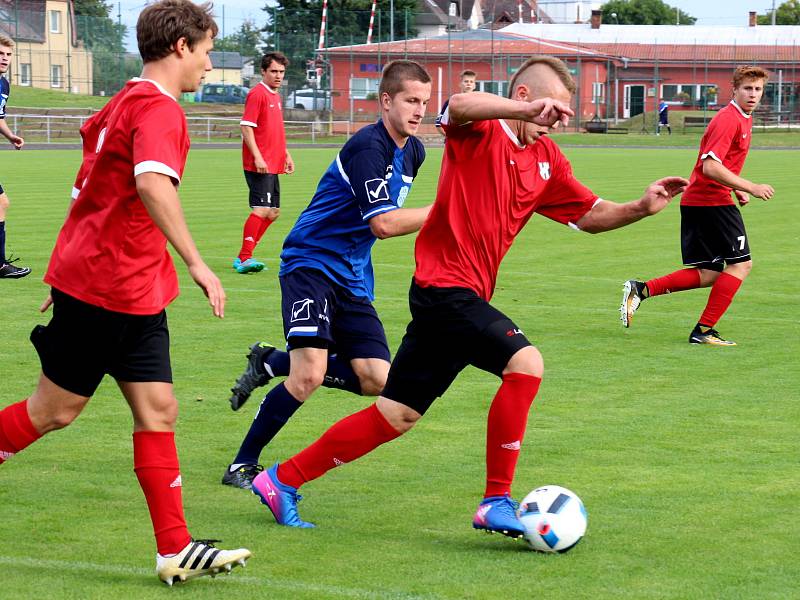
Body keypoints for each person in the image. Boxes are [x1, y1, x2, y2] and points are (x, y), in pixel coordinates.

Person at [248, 55, 688, 534]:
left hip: (460, 297)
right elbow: (458, 104)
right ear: (525, 99)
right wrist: (520, 113)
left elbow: (589, 214)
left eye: (564, 113)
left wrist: (641, 207)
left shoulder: (547, 160)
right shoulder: (482, 130)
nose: (558, 121)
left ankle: (281, 479)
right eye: (553, 110)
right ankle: (495, 499)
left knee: (395, 414)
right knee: (526, 364)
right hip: (444, 289)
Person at [0, 0, 251, 585]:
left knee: (159, 411)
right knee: (54, 412)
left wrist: (61, 267)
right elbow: (149, 182)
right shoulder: (158, 110)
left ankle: (174, 549)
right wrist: (197, 262)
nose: (209, 67)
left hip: (131, 288)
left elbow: (86, 186)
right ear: (181, 47)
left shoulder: (121, 101)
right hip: (105, 286)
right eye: (208, 52)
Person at [221, 60, 432, 491]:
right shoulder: (367, 148)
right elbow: (384, 224)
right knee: (309, 375)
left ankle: (271, 360)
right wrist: (444, 211)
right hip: (311, 263)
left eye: (425, 103)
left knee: (377, 379)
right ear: (386, 100)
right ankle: (243, 465)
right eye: (411, 100)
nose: (419, 111)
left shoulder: (415, 151)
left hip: (352, 276)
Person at [621, 66, 774, 346]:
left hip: (705, 200)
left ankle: (640, 290)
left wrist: (735, 189)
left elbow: (720, 166)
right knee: (741, 265)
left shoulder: (743, 117)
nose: (753, 94)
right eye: (747, 89)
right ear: (735, 90)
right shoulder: (729, 120)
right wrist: (749, 186)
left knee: (709, 273)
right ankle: (703, 331)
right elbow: (710, 167)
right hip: (710, 201)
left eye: (758, 89)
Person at [233, 52, 294, 274]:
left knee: (273, 212)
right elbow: (246, 126)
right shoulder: (257, 94)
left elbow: (274, 129)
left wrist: (285, 153)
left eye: (281, 72)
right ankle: (245, 258)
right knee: (261, 209)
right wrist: (258, 156)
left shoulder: (275, 96)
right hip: (260, 163)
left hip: (273, 162)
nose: (278, 76)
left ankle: (243, 255)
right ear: (263, 71)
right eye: (274, 71)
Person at [0, 33, 30, 279]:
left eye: (8, 55)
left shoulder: (3, 85)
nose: (5, 59)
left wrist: (10, 136)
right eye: (0, 54)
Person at [436, 69, 476, 136]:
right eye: (466, 81)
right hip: (456, 140)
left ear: (474, 85)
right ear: (460, 84)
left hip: (472, 142)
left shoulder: (479, 103)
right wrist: (449, 137)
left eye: (471, 82)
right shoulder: (451, 102)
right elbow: (438, 124)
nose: (469, 83)